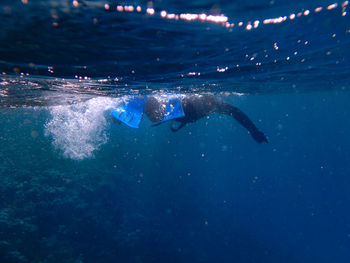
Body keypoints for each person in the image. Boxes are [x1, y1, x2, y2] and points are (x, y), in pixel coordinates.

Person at [110, 94, 268, 143]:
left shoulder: (213, 104)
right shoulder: (207, 102)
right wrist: (254, 130)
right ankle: (125, 104)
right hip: (181, 109)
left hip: (180, 112)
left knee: (156, 116)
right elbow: (235, 112)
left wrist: (254, 130)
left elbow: (235, 112)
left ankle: (124, 106)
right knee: (156, 114)